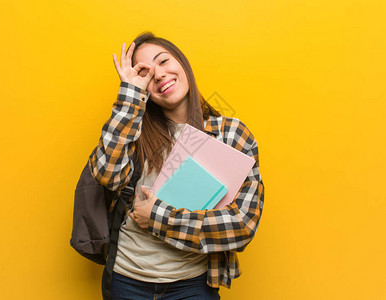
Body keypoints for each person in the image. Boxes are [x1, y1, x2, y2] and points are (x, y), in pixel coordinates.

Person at [88, 31, 264, 300]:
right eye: (145, 73)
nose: (158, 75)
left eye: (163, 61)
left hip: (192, 284)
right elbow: (106, 174)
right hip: (127, 279)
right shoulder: (134, 130)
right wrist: (130, 96)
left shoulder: (231, 134)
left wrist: (156, 216)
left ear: (182, 63)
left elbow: (242, 223)